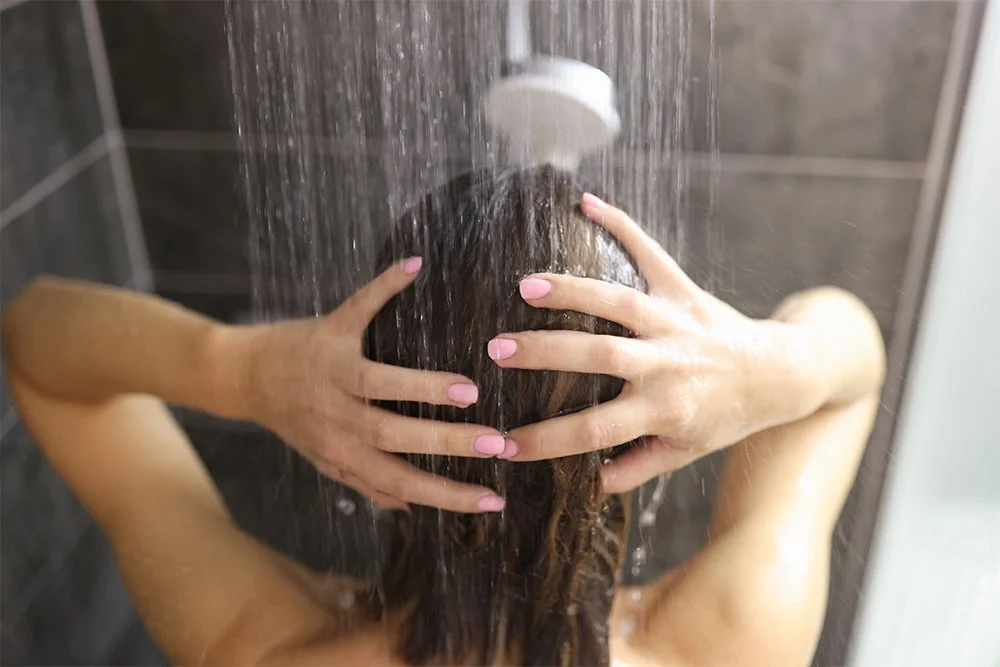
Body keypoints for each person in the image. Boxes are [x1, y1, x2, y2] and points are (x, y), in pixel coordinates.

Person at [1, 166, 885, 666]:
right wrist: (766, 367)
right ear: (651, 435)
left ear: (357, 433)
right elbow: (853, 362)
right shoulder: (734, 638)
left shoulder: (259, 645)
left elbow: (37, 342)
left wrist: (241, 368)